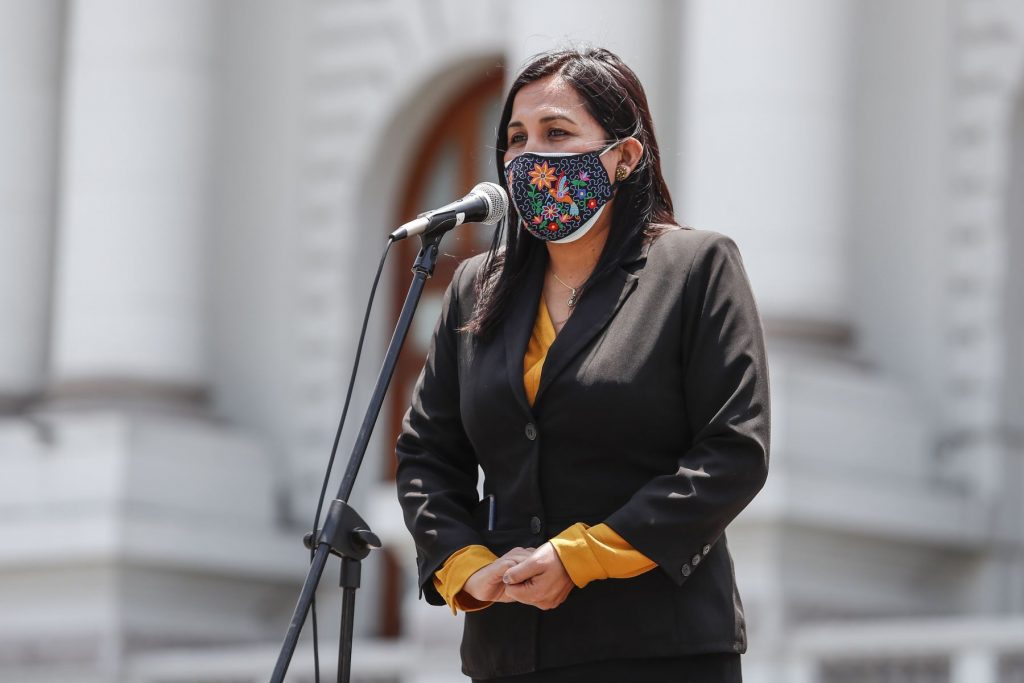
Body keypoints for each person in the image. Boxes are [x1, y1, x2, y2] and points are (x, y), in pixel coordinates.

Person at [395, 47, 770, 682]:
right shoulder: (476, 288)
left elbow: (732, 453)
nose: (529, 156)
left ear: (624, 157)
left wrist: (580, 557)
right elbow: (428, 455)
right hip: (511, 654)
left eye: (556, 133)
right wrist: (465, 566)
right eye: (515, 139)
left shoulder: (695, 270)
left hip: (658, 652)